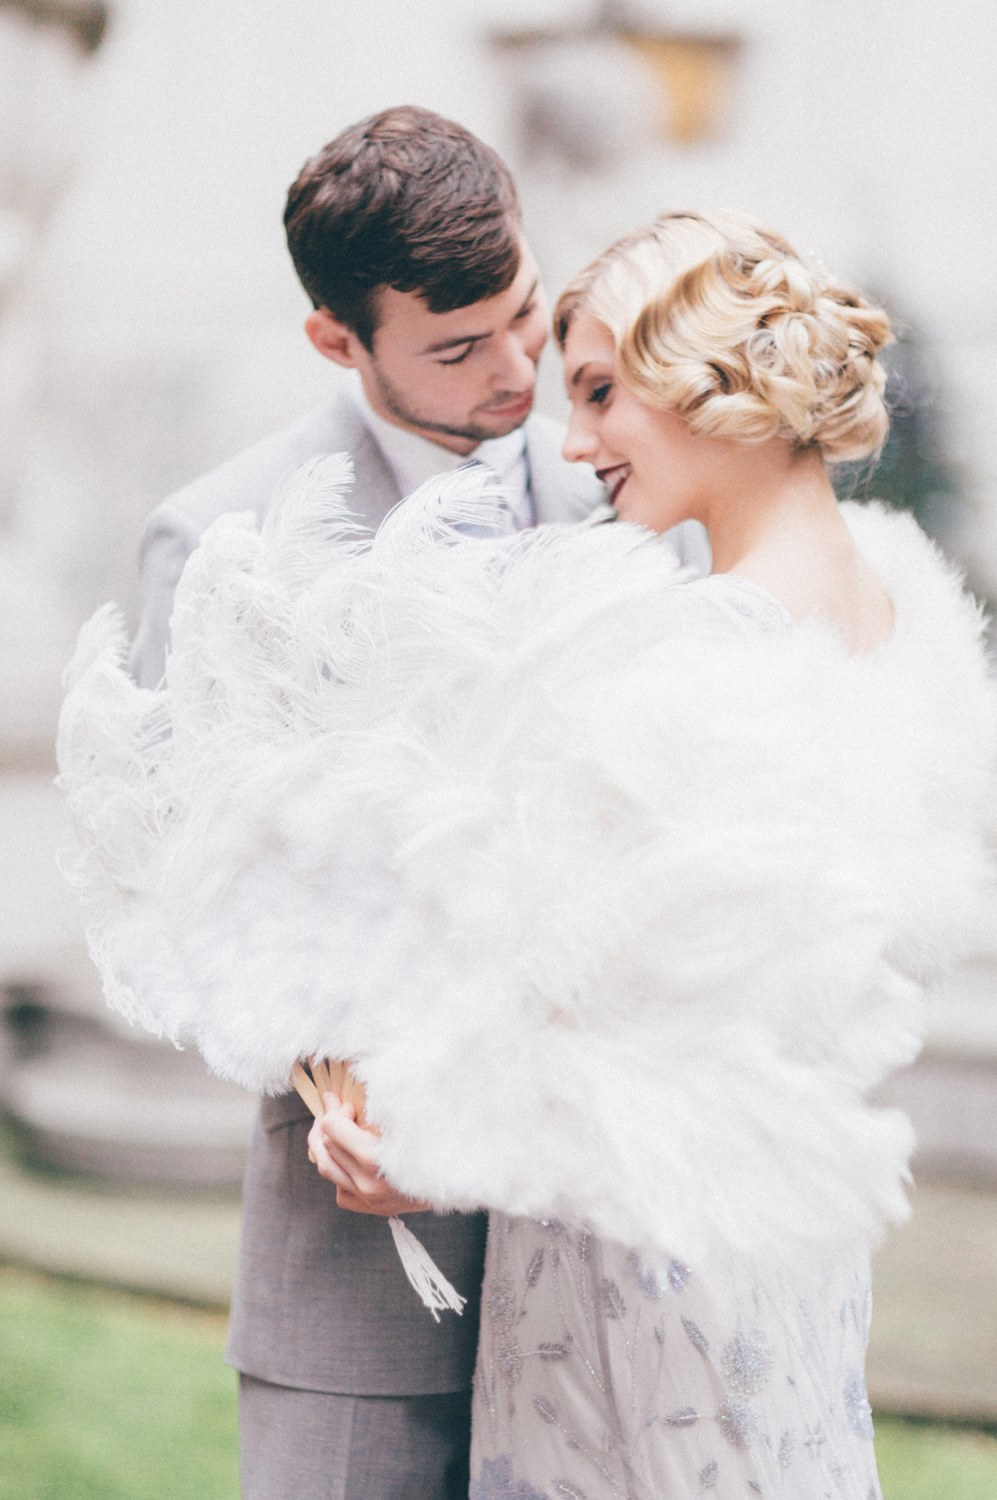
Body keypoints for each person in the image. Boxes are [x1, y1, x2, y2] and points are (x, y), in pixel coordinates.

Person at [297, 212, 995, 1498]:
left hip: (635, 1274)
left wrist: (432, 1142)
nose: (574, 442)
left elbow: (608, 1021)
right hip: (783, 1254)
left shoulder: (695, 655)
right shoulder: (888, 615)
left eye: (605, 392)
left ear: (717, 378)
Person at [128, 106, 629, 1500]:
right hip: (359, 1279)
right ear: (336, 342)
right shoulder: (224, 544)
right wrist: (341, 1080)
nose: (521, 371)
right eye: (461, 349)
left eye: (526, 312)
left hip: (616, 1264)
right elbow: (190, 896)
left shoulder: (634, 489)